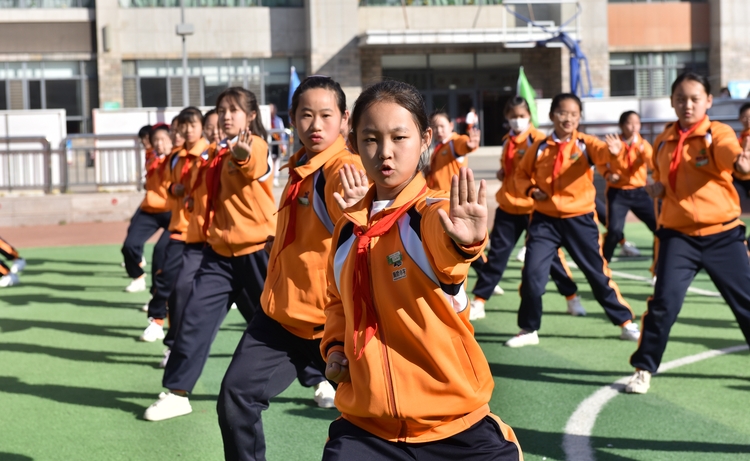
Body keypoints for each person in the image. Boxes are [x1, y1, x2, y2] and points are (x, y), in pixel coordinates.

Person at [320, 80, 522, 461]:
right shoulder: (346, 230)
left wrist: (465, 241)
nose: (385, 152)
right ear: (352, 143)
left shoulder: (429, 215)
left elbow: (448, 251)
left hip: (455, 428)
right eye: (370, 139)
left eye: (399, 137)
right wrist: (333, 349)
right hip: (367, 429)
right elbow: (337, 304)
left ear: (425, 138)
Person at [217, 75, 366, 461]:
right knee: (236, 396)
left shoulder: (342, 169)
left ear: (345, 120)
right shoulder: (301, 164)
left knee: (375, 420)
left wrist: (357, 210)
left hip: (333, 326)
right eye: (305, 115)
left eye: (326, 115)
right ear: (291, 118)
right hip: (280, 318)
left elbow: (360, 229)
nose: (315, 125)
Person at [142, 87, 275, 421]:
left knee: (282, 322)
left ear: (251, 116)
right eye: (222, 109)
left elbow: (254, 161)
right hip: (219, 255)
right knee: (193, 318)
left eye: (234, 110)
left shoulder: (253, 145)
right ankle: (177, 392)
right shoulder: (215, 153)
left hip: (256, 251)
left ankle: (321, 379)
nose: (226, 115)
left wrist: (243, 155)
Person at [626, 73, 750, 394]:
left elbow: (731, 158)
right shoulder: (663, 140)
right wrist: (658, 188)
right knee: (664, 303)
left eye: (695, 98)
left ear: (709, 101)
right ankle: (643, 369)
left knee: (746, 303)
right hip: (678, 237)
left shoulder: (718, 133)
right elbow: (666, 179)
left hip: (723, 235)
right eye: (681, 98)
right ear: (671, 102)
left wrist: (742, 164)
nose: (688, 105)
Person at [507, 93, 640, 348]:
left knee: (597, 274)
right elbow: (521, 175)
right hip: (544, 221)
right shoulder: (539, 148)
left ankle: (625, 322)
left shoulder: (587, 144)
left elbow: (605, 157)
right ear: (551, 116)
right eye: (562, 113)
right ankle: (528, 328)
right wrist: (531, 190)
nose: (568, 118)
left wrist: (615, 152)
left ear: (580, 118)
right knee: (533, 274)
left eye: (573, 114)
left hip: (580, 220)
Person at [470, 96, 585, 321]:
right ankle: (479, 301)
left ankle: (572, 298)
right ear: (507, 117)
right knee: (496, 257)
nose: (517, 121)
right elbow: (509, 169)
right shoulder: (506, 141)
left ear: (529, 116)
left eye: (521, 116)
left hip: (534, 209)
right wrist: (503, 173)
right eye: (513, 117)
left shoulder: (539, 140)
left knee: (551, 259)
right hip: (508, 207)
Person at [139, 107, 210, 343]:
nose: (186, 132)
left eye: (192, 126)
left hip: (210, 233)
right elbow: (167, 185)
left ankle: (308, 367)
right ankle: (161, 325)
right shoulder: (176, 158)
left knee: (252, 297)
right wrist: (174, 189)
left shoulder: (210, 155)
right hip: (180, 229)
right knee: (169, 277)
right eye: (182, 128)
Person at [598, 111, 657, 262]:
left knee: (659, 228)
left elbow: (653, 164)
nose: (633, 127)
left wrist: (657, 179)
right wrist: (608, 175)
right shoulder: (613, 142)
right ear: (622, 125)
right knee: (615, 231)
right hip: (618, 193)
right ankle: (603, 264)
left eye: (637, 123)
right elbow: (601, 162)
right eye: (630, 123)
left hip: (639, 192)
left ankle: (658, 269)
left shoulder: (643, 145)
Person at [121, 124, 172, 293]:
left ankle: (158, 296)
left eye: (162, 139)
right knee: (129, 245)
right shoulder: (151, 157)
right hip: (150, 208)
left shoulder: (178, 158)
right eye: (154, 140)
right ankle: (138, 276)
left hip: (172, 210)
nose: (158, 143)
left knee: (161, 252)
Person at [426, 110, 480, 192]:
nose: (439, 130)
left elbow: (462, 143)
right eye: (435, 127)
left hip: (451, 196)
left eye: (442, 126)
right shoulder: (438, 146)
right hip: (436, 195)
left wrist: (469, 145)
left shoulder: (454, 142)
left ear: (451, 126)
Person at [268, 103, 289, 187]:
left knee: (276, 160)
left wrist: (283, 145)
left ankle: (275, 179)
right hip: (269, 142)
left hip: (277, 143)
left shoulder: (278, 120)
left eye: (273, 109)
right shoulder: (266, 120)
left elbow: (282, 134)